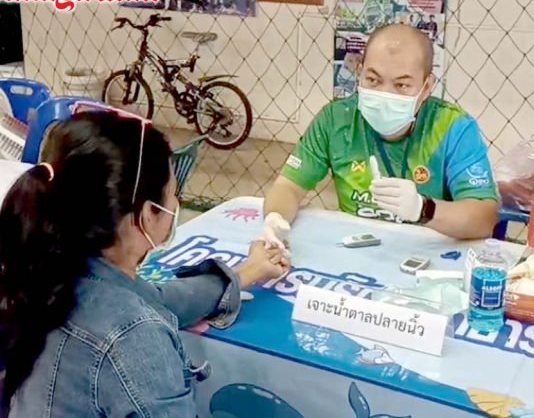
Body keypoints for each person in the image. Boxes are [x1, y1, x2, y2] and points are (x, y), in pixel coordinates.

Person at [0, 111, 289, 417]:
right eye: (174, 193)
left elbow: (159, 298)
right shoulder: (134, 337)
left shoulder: (48, 273)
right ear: (147, 214)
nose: (176, 204)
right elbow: (135, 321)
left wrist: (247, 272)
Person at [261, 24, 499, 247]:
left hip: (429, 251)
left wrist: (423, 209)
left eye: (402, 85)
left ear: (426, 87)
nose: (385, 94)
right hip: (357, 248)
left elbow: (483, 218)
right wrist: (274, 219)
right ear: (359, 73)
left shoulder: (453, 127)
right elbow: (288, 187)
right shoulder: (336, 120)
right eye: (373, 80)